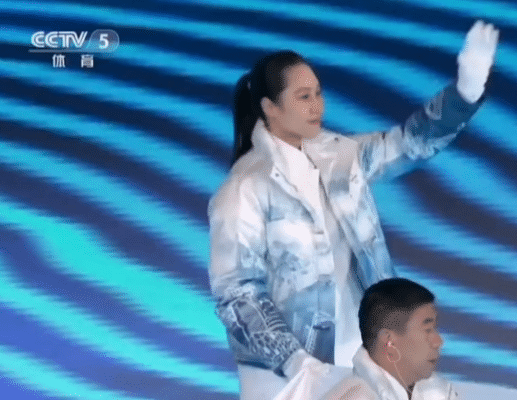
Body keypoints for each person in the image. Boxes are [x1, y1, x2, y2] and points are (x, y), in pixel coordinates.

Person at [207, 20, 499, 399]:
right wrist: (296, 363)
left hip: (364, 355)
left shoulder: (342, 157)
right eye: (303, 96)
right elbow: (237, 293)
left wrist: (464, 94)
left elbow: (408, 144)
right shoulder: (244, 188)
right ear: (270, 108)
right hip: (291, 375)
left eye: (318, 93)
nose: (316, 106)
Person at [321, 278, 458, 400]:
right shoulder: (354, 396)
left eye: (435, 329)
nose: (438, 342)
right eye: (427, 330)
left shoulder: (439, 391)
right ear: (390, 341)